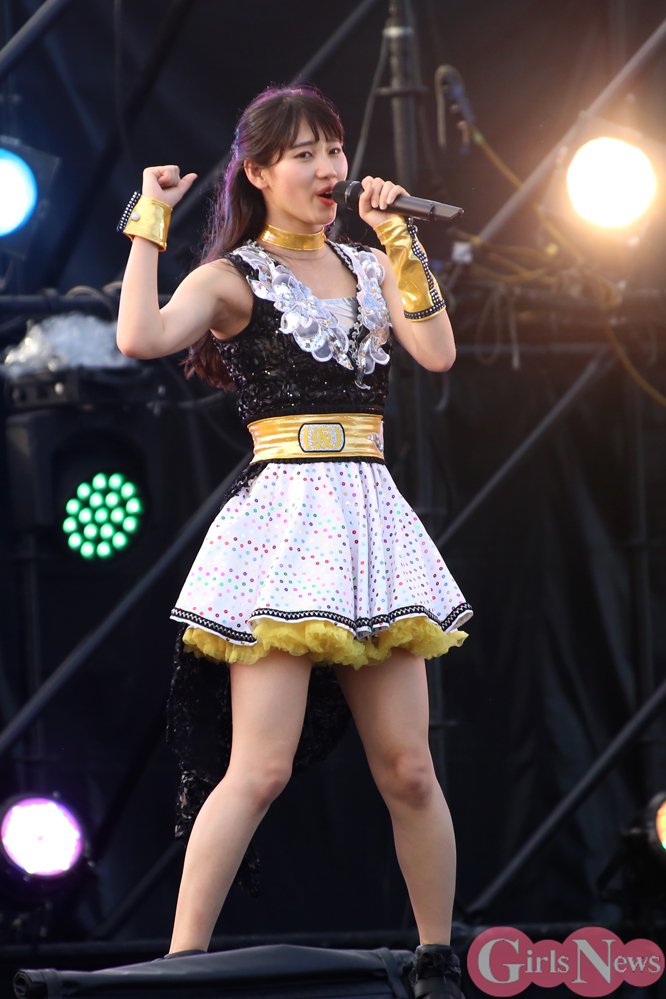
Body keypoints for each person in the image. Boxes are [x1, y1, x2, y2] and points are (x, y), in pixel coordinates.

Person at [116, 84, 472, 999]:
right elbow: (140, 336)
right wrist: (149, 222)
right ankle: (182, 965)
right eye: (304, 154)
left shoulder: (372, 262)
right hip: (285, 525)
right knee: (260, 767)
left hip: (369, 521)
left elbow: (437, 353)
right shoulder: (232, 277)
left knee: (410, 767)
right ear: (259, 172)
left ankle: (437, 962)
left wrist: (401, 238)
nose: (327, 169)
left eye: (333, 150)